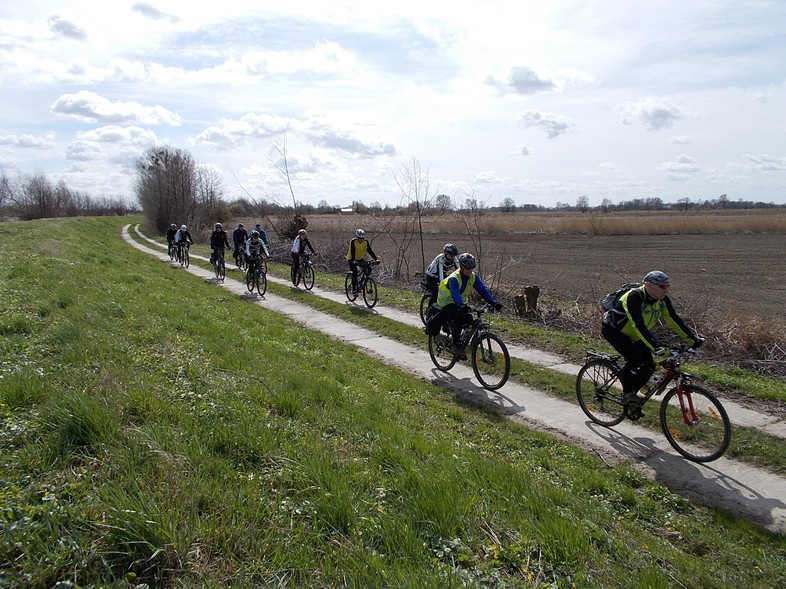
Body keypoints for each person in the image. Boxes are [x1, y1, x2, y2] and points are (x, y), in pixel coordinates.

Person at [601, 270, 704, 419]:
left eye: (668, 286)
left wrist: (693, 340)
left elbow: (674, 320)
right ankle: (627, 394)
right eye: (662, 286)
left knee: (649, 365)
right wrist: (656, 346)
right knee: (634, 357)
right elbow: (638, 325)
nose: (666, 290)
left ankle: (632, 400)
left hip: (635, 334)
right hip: (615, 330)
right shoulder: (634, 297)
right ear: (648, 285)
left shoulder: (662, 300)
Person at [427, 253, 502, 356]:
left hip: (459, 304)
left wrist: (494, 302)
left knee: (470, 320)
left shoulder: (473, 277)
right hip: (446, 304)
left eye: (472, 269)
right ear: (462, 267)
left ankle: (463, 342)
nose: (470, 271)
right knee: (460, 316)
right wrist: (461, 306)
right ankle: (456, 343)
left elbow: (483, 290)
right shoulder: (454, 278)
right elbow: (455, 294)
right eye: (468, 269)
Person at [346, 229, 380, 293]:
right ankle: (354, 289)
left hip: (360, 259)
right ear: (357, 237)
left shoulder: (365, 242)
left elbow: (370, 251)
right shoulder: (353, 241)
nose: (361, 240)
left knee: (369, 268)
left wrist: (376, 259)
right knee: (355, 273)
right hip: (352, 259)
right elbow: (352, 251)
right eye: (360, 238)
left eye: (362, 238)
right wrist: (354, 260)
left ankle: (362, 282)